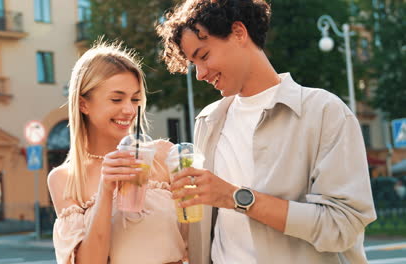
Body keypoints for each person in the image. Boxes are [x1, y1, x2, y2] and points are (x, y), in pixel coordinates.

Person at [156, 0, 377, 263]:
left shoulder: (324, 112)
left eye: (203, 56)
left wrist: (235, 197)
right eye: (194, 64)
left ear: (239, 32)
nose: (200, 74)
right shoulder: (208, 121)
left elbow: (344, 227)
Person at [47, 41, 187, 264]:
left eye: (135, 99)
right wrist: (105, 190)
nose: (129, 110)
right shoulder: (65, 179)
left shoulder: (163, 155)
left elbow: (198, 239)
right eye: (116, 99)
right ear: (83, 104)